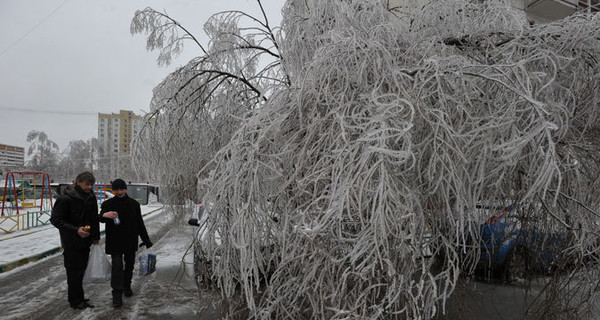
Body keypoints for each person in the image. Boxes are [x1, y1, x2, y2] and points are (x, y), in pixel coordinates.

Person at [50, 171, 100, 310]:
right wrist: (76, 229)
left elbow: (93, 218)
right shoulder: (66, 198)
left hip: (86, 241)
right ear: (78, 182)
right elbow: (55, 219)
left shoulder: (90, 196)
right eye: (87, 184)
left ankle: (79, 297)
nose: (89, 187)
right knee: (74, 273)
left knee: (81, 271)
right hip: (71, 242)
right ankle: (75, 301)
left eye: (91, 184)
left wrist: (95, 236)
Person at [99, 178, 153, 308]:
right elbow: (101, 217)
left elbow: (140, 223)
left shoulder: (133, 204)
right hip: (115, 241)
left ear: (125, 189)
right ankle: (116, 295)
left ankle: (126, 286)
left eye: (121, 189)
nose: (119, 192)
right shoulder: (108, 204)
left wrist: (146, 240)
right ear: (113, 190)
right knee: (117, 267)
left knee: (129, 266)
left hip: (130, 240)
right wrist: (105, 215)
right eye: (116, 189)